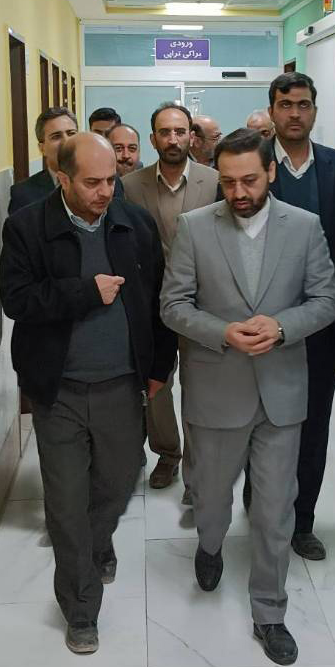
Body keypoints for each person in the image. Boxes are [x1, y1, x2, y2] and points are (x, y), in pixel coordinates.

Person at [161, 128, 335, 666]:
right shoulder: (195, 227)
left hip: (281, 392)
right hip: (217, 390)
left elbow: (326, 300)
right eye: (228, 182)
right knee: (211, 498)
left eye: (250, 181)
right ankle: (210, 544)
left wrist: (282, 327)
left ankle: (270, 611)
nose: (239, 192)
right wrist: (222, 332)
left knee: (275, 509)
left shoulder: (305, 227)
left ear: (271, 173)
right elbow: (173, 305)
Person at [0, 133, 177, 655]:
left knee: (119, 481)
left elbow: (158, 300)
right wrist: (84, 291)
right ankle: (81, 607)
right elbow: (16, 300)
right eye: (92, 182)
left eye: (111, 181)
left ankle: (97, 543)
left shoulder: (134, 223)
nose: (105, 192)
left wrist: (159, 367)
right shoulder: (27, 227)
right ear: (62, 179)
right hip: (59, 389)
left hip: (122, 382)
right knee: (65, 501)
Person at [263, 71, 335, 562]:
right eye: (285, 104)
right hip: (263, 324)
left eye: (303, 104)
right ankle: (263, 513)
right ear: (272, 110)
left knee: (312, 427)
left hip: (319, 325)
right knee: (262, 426)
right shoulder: (253, 161)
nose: (295, 113)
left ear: (315, 110)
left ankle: (303, 523)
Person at [123, 103, 218, 497]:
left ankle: (199, 468)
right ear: (153, 139)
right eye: (165, 132)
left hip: (201, 304)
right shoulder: (131, 186)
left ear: (191, 136)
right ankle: (167, 453)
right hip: (152, 305)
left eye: (180, 131)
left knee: (200, 386)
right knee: (156, 386)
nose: (173, 139)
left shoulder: (214, 182)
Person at [8, 107, 77, 215]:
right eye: (56, 136)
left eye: (71, 133)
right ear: (42, 148)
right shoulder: (23, 194)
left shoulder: (102, 182)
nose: (66, 141)